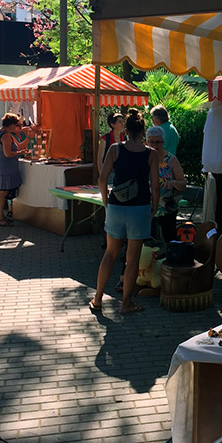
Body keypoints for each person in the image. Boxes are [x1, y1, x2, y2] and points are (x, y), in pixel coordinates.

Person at [90, 109, 159, 315]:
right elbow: (155, 185)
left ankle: (98, 298)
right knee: (133, 257)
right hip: (139, 208)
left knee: (110, 254)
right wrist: (154, 206)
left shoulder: (115, 149)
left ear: (126, 130)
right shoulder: (151, 154)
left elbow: (102, 179)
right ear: (143, 131)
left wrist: (105, 201)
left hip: (117, 206)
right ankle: (126, 303)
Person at [146, 125, 187, 243]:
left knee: (169, 239)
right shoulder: (144, 158)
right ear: (147, 142)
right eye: (151, 142)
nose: (154, 145)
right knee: (147, 240)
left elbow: (183, 183)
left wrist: (173, 182)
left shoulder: (171, 160)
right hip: (147, 205)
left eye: (158, 142)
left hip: (167, 207)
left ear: (163, 141)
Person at [0, 113, 30, 226]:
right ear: (12, 125)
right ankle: (0, 217)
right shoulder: (6, 136)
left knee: (1, 193)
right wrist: (20, 153)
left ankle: (1, 216)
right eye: (17, 124)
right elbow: (7, 154)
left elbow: (20, 146)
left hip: (0, 167)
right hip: (5, 168)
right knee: (2, 193)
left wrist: (28, 137)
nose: (18, 127)